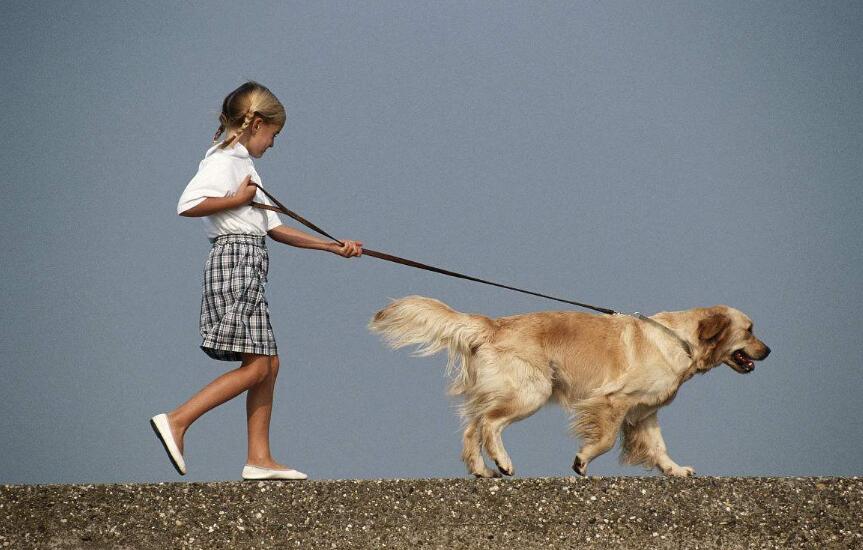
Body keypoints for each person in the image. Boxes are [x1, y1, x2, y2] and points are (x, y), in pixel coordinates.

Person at [150, 81, 362, 481]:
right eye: (274, 134)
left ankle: (259, 458)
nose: (273, 143)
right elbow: (188, 204)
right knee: (258, 366)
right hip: (236, 260)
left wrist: (333, 247)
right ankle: (177, 420)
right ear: (258, 124)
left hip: (248, 259)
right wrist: (237, 199)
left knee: (268, 363)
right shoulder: (224, 160)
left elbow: (275, 229)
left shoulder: (244, 165)